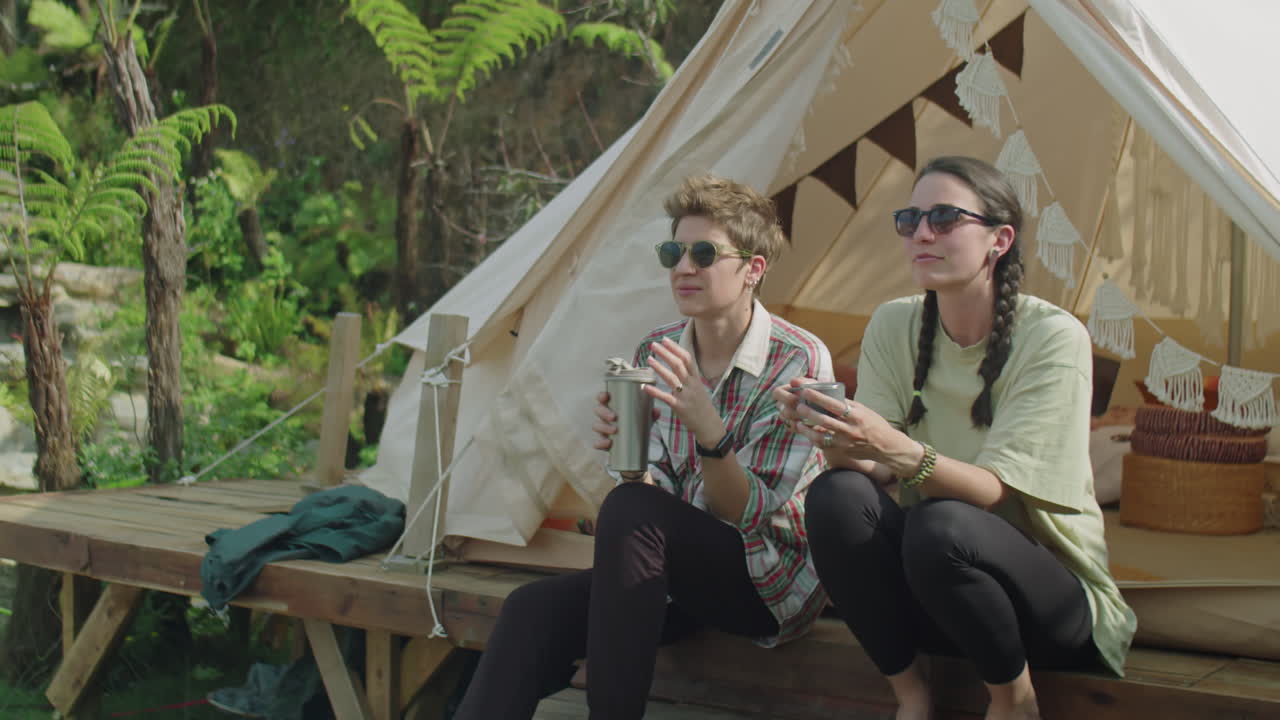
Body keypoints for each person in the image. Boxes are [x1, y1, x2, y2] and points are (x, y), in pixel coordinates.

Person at [453, 174, 834, 720]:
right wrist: (627, 455)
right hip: (681, 574)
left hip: (765, 582)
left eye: (704, 253)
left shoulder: (797, 360)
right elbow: (653, 504)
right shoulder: (657, 348)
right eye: (673, 252)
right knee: (530, 609)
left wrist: (709, 432)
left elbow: (748, 513)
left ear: (754, 269)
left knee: (630, 512)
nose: (684, 267)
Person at [776, 156, 1136, 720]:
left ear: (999, 239)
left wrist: (892, 446)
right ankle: (911, 694)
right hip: (935, 598)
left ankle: (1014, 701)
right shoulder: (895, 324)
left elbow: (994, 494)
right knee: (834, 496)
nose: (922, 233)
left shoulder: (1052, 337)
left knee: (940, 523)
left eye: (944, 218)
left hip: (1049, 610)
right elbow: (873, 470)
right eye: (910, 219)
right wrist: (831, 430)